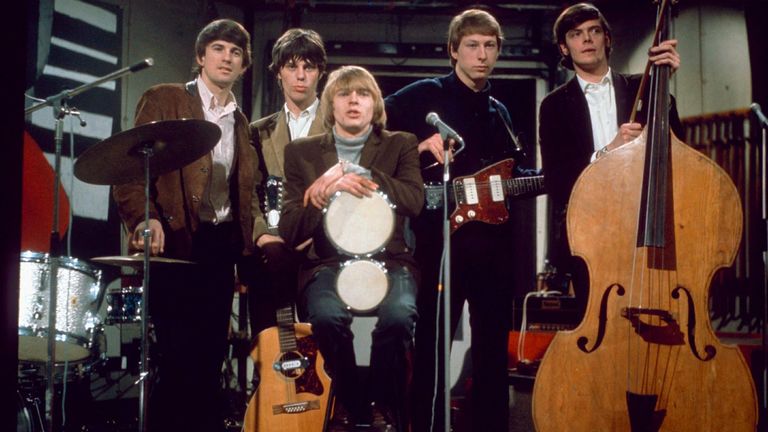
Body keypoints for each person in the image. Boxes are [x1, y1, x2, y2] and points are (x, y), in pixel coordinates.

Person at [384, 9, 535, 432]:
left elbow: (515, 172)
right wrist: (415, 145)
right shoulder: (422, 95)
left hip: (496, 251)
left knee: (491, 355)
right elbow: (373, 130)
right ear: (453, 50)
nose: (481, 55)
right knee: (432, 349)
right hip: (440, 247)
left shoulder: (500, 110)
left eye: (490, 46)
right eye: (472, 45)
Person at [112, 19, 260, 431]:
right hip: (174, 244)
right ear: (200, 57)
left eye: (235, 52)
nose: (227, 57)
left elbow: (241, 196)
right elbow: (130, 168)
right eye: (218, 48)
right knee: (176, 357)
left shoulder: (241, 122)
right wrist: (145, 218)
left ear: (244, 64)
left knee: (210, 359)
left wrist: (248, 251)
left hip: (219, 249)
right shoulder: (166, 99)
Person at [278, 65, 423, 430]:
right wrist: (324, 194)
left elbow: (414, 201)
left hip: (389, 261)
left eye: (363, 94)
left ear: (375, 104)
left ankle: (375, 400)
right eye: (344, 94)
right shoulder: (302, 153)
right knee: (325, 318)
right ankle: (355, 401)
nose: (354, 100)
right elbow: (291, 229)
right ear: (331, 105)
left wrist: (361, 174)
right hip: (328, 263)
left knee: (399, 316)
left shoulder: (400, 143)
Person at [538, 2, 683, 317]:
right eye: (576, 35)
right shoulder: (553, 106)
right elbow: (557, 180)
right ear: (565, 46)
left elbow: (677, 151)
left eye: (594, 31)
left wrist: (664, 87)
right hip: (588, 232)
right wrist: (608, 151)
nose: (587, 40)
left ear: (606, 38)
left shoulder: (639, 88)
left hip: (644, 228)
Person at [248, 28, 327, 339]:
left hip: (324, 253)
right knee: (271, 341)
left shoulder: (339, 126)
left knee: (323, 345)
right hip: (273, 250)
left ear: (320, 72)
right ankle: (268, 387)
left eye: (308, 67)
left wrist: (315, 233)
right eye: (292, 66)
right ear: (278, 72)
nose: (300, 76)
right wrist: (264, 237)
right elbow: (249, 191)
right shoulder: (259, 131)